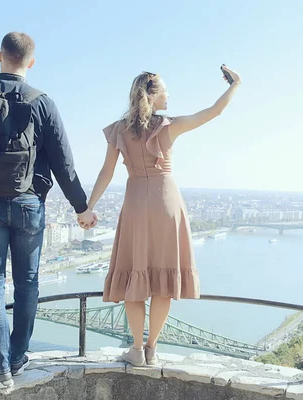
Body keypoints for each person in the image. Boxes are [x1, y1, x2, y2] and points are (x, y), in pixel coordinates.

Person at [0, 32, 97, 389]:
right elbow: (64, 164)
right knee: (27, 283)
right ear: (31, 62)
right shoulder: (44, 103)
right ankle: (17, 357)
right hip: (29, 205)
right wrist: (81, 207)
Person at [86, 65, 241, 366]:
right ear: (154, 96)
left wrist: (89, 206)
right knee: (163, 280)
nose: (169, 94)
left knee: (135, 276)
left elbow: (106, 172)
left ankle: (135, 349)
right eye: (166, 90)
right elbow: (214, 111)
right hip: (166, 203)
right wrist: (235, 84)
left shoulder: (119, 130)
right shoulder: (169, 126)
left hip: (135, 204)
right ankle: (152, 348)